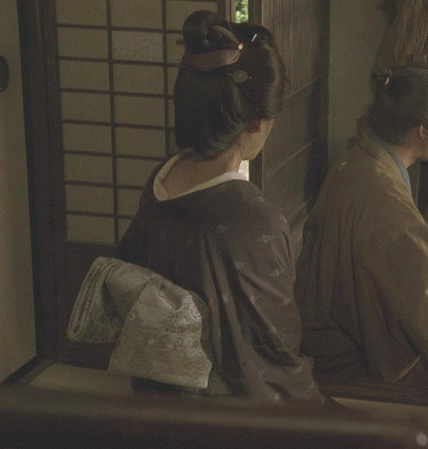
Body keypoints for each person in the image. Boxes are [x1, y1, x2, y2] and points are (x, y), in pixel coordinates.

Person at [117, 10, 325, 405]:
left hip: (155, 390)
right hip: (224, 407)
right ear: (257, 124)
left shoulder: (163, 177)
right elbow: (277, 346)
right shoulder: (253, 219)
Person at [295, 65, 428, 390]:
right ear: (422, 131)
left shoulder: (359, 159)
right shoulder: (385, 197)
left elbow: (387, 254)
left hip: (329, 319)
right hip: (348, 349)